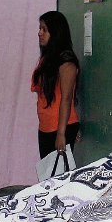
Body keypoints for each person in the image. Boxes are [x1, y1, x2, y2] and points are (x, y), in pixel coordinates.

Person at [33, 11, 80, 159]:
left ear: (56, 32)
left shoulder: (66, 62)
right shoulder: (47, 58)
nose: (40, 33)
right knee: (48, 176)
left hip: (59, 128)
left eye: (44, 29)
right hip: (46, 126)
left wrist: (61, 133)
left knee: (58, 179)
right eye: (40, 28)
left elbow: (67, 99)